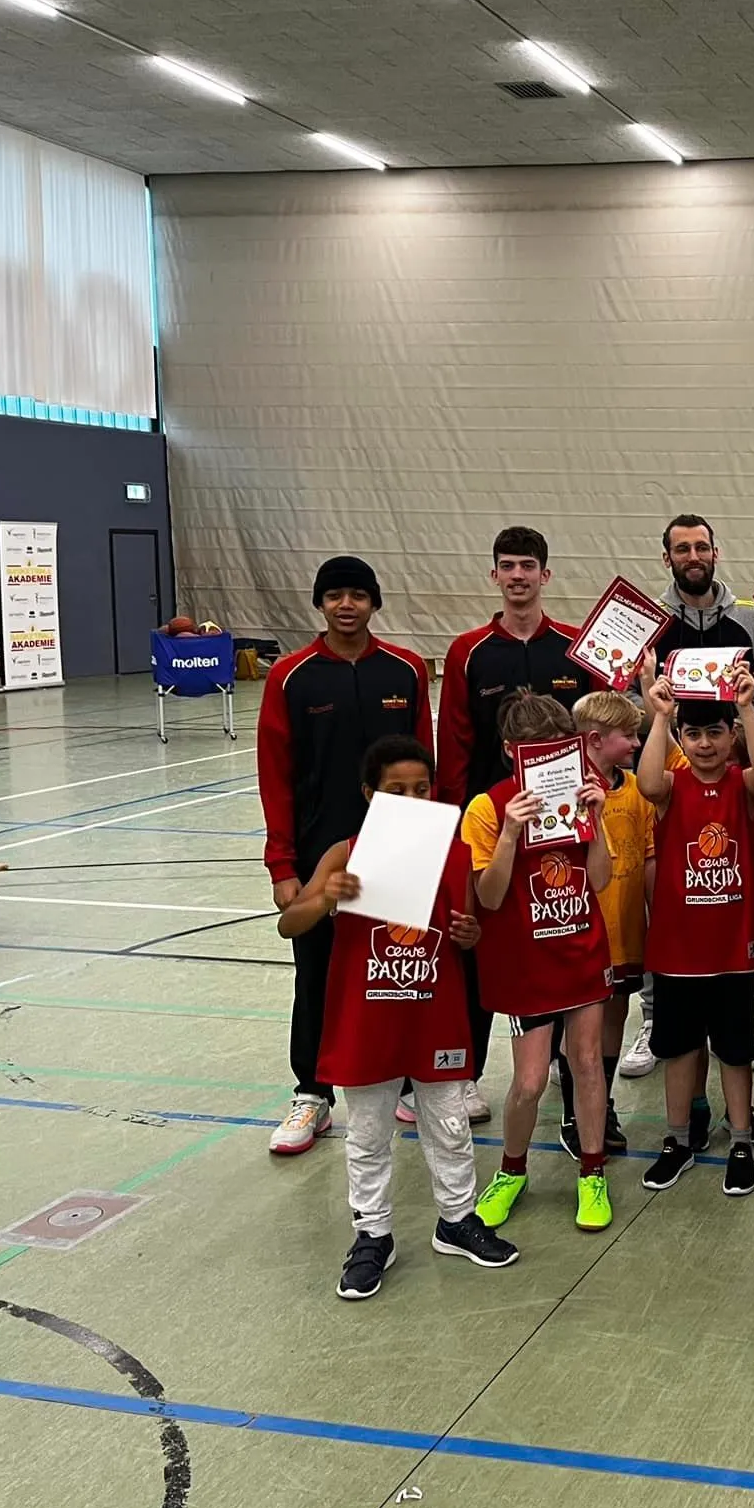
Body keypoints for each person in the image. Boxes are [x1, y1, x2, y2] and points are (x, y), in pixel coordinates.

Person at [277, 735, 518, 1297]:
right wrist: (324, 897)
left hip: (434, 1011)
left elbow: (472, 928)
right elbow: (290, 925)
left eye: (421, 788)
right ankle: (372, 1234)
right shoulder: (345, 853)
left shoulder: (454, 853)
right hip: (369, 1016)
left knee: (451, 1124)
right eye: (396, 789)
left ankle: (456, 1221)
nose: (412, 797)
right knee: (367, 1133)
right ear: (370, 794)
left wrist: (470, 934)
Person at [258, 556, 431, 1157]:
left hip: (402, 846)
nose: (347, 605)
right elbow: (275, 775)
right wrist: (284, 867)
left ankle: (411, 1080)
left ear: (374, 602)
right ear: (321, 604)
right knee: (318, 973)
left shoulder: (406, 670)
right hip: (319, 850)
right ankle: (312, 1092)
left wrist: (431, 845)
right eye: (335, 596)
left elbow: (424, 761)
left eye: (358, 594)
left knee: (404, 970)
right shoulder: (290, 676)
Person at [433, 527, 600, 1117]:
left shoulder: (576, 645)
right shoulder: (469, 651)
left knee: (558, 935)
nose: (519, 575)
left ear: (546, 576)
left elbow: (597, 725)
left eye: (529, 565)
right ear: (495, 576)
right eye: (508, 566)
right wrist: (459, 823)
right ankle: (469, 1071)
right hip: (493, 827)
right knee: (478, 945)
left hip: (562, 828)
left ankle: (565, 1069)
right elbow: (453, 742)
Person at [462, 693, 618, 1234]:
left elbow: (599, 880)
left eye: (558, 751)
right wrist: (509, 832)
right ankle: (512, 1170)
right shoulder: (487, 809)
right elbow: (490, 894)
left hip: (581, 949)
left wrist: (596, 820)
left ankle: (593, 1171)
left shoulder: (581, 796)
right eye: (535, 753)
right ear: (511, 752)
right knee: (528, 1082)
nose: (549, 763)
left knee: (588, 1062)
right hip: (527, 960)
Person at [637, 661, 754, 1195]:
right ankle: (676, 1140)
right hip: (677, 950)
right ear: (682, 739)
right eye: (692, 734)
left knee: (736, 1051)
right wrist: (659, 717)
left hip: (731, 949)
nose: (704, 744)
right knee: (678, 1048)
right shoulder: (671, 785)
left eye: (713, 732)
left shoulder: (744, 785)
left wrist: (745, 704)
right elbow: (647, 781)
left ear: (730, 736)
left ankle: (741, 1137)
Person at [564, 691, 652, 1162]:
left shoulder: (636, 789)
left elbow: (651, 855)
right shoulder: (566, 792)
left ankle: (603, 1103)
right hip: (579, 936)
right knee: (578, 1033)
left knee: (615, 1018)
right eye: (629, 735)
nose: (636, 743)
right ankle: (572, 1114)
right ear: (595, 739)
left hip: (626, 933)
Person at [653, 514, 754, 683]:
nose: (694, 557)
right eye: (683, 549)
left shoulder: (752, 619)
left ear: (715, 554)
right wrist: (665, 710)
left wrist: (744, 709)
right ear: (667, 559)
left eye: (702, 548)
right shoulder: (650, 620)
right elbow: (627, 694)